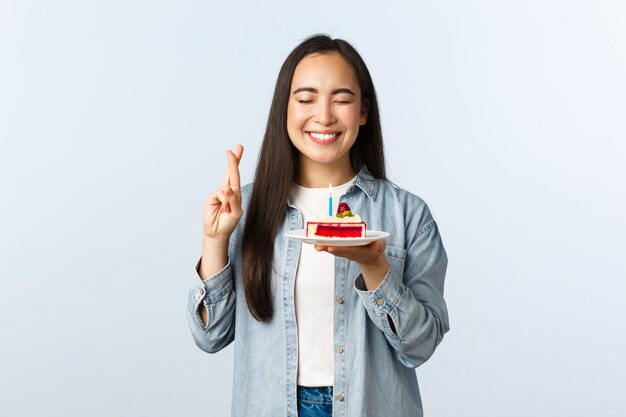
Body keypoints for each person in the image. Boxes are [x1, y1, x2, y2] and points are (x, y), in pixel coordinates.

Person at [187, 34, 449, 417]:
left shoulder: (407, 215)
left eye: (341, 100)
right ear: (285, 110)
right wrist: (215, 240)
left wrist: (375, 266)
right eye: (306, 99)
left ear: (363, 112)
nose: (324, 116)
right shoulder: (246, 208)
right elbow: (210, 337)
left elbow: (420, 346)